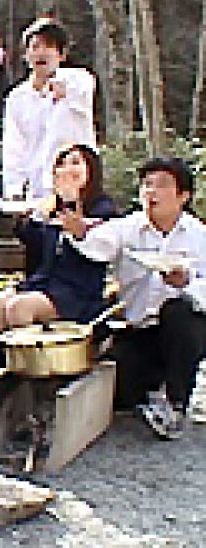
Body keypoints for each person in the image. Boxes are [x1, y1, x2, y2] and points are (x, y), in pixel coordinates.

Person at [66, 157, 206, 440]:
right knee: (117, 391)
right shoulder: (127, 227)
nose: (151, 192)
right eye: (147, 185)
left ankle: (176, 404)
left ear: (183, 196)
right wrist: (80, 232)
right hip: (140, 330)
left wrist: (187, 283)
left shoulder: (199, 235)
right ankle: (152, 389)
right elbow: (98, 245)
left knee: (179, 311)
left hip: (187, 330)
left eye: (161, 185)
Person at [0, 144, 116, 341]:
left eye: (75, 163)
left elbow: (92, 240)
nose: (67, 170)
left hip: (78, 290)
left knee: (19, 308)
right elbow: (35, 244)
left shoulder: (102, 208)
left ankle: (30, 358)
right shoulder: (51, 206)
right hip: (45, 282)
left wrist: (72, 204)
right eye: (61, 164)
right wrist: (27, 218)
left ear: (91, 170)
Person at [1, 18, 96, 200]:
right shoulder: (16, 98)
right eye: (35, 47)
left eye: (49, 47)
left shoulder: (79, 80)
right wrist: (14, 188)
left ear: (61, 54)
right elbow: (14, 148)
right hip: (37, 189)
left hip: (78, 186)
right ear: (26, 55)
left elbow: (80, 89)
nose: (41, 53)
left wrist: (63, 90)